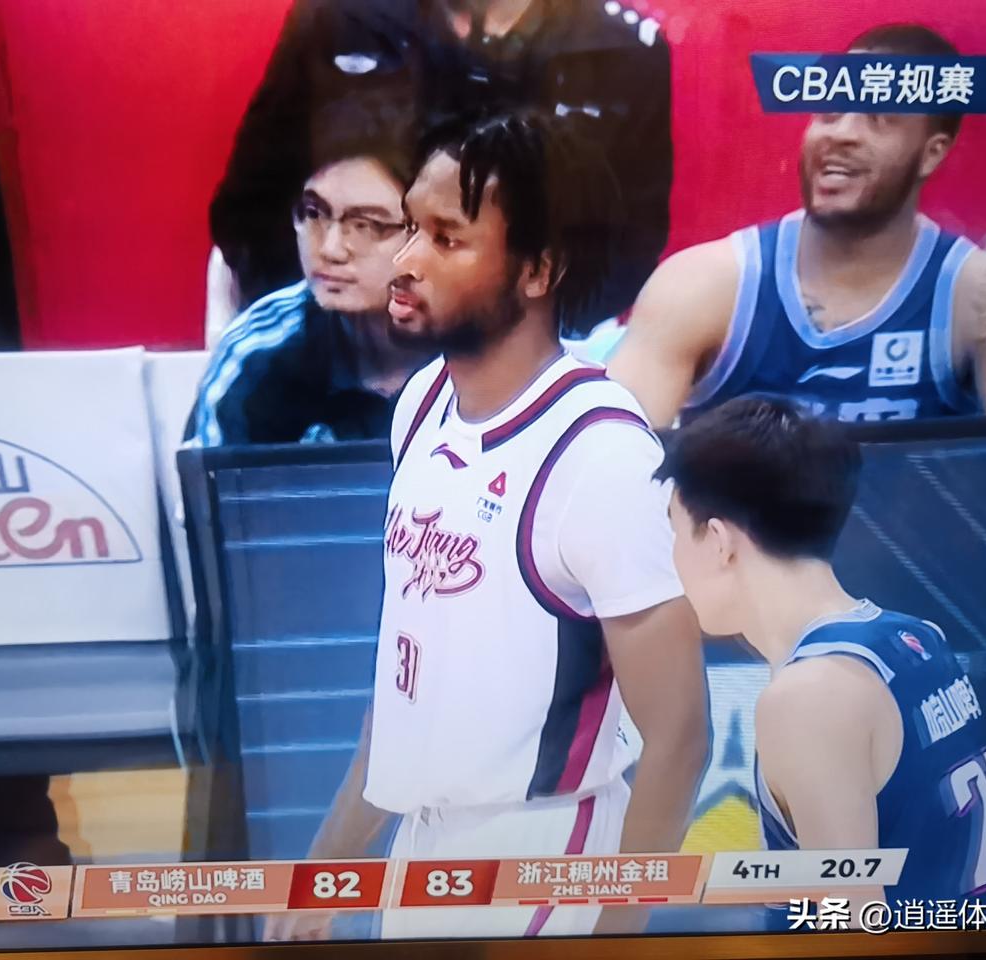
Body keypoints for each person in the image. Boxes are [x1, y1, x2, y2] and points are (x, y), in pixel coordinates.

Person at [265, 112, 710, 942]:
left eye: (446, 239)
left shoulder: (602, 455)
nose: (405, 261)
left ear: (538, 269)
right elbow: (407, 683)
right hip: (422, 842)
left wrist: (617, 929)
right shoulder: (422, 403)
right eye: (409, 228)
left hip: (542, 850)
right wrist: (328, 869)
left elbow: (680, 734)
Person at [658, 394, 986, 918]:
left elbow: (852, 922)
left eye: (674, 530)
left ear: (719, 540)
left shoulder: (807, 698)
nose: (670, 557)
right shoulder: (919, 637)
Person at [609, 23, 986, 427]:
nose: (841, 134)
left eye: (878, 118)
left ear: (932, 153)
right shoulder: (700, 286)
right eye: (830, 112)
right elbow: (611, 457)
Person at [209, 0, 673, 334]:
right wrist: (336, 335)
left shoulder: (621, 49)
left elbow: (628, 242)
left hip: (530, 349)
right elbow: (251, 208)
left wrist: (517, 342)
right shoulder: (340, 17)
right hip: (348, 345)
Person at [186, 101, 432, 446]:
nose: (330, 249)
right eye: (314, 213)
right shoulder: (258, 352)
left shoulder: (484, 346)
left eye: (366, 224)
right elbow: (211, 480)